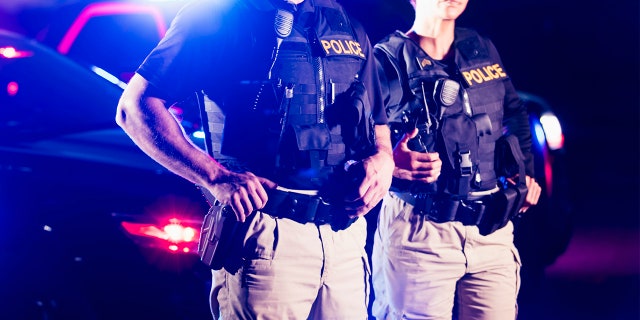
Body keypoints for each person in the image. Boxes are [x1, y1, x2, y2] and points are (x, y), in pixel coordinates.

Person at [115, 0, 394, 318]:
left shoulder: (343, 21)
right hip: (267, 236)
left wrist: (384, 158)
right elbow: (134, 108)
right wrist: (215, 177)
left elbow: (377, 121)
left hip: (345, 238)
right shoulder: (220, 15)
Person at [370, 0, 542, 319]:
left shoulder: (480, 47)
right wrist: (391, 161)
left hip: (491, 229)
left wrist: (524, 173)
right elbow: (358, 135)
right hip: (421, 231)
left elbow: (514, 111)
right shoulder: (387, 59)